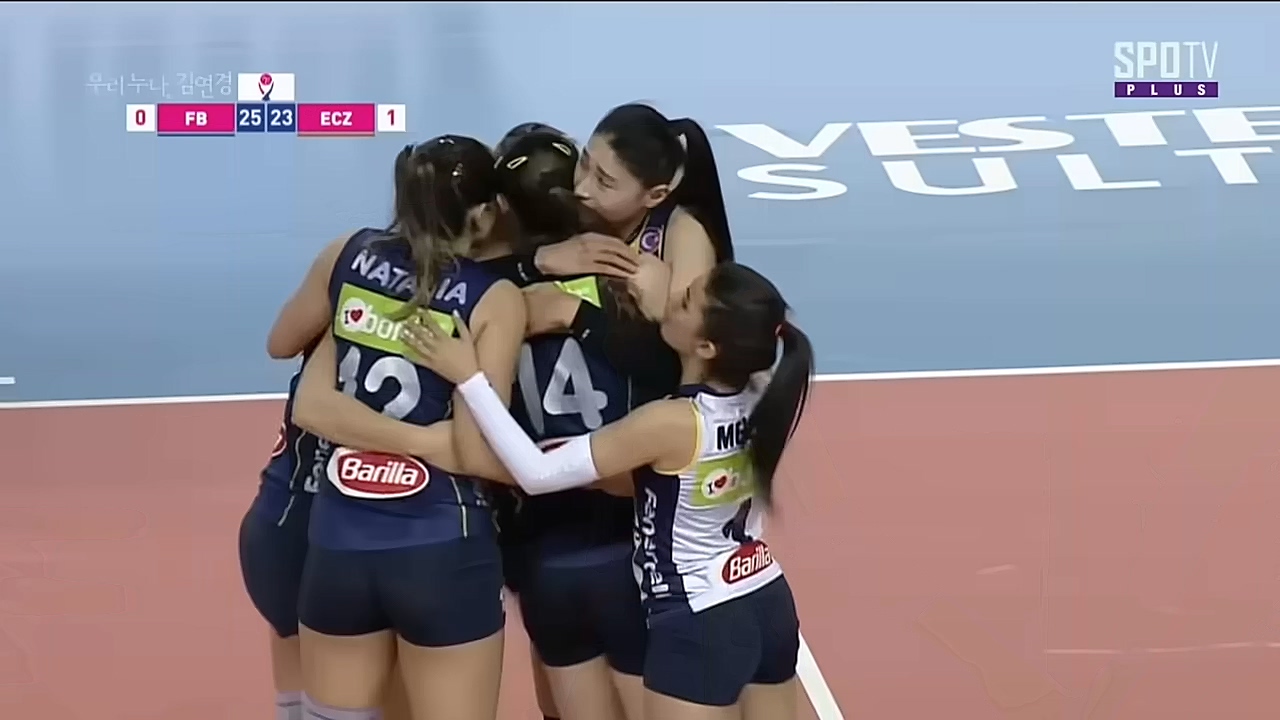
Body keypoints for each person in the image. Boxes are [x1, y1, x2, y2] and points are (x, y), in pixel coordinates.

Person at [404, 261, 814, 720]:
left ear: (707, 346)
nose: (670, 302)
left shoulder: (669, 423)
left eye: (684, 303)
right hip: (765, 597)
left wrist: (470, 379)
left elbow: (535, 474)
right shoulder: (762, 394)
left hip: (700, 618)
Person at [288, 135, 526, 720]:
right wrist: (429, 443)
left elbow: (303, 390)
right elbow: (478, 451)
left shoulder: (347, 256)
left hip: (338, 541)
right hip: (443, 545)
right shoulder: (493, 298)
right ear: (484, 213)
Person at [572, 103, 734, 404]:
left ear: (655, 195)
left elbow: (693, 361)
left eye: (604, 182)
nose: (582, 187)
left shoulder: (683, 236)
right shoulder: (560, 203)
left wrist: (660, 311)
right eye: (583, 163)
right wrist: (539, 258)